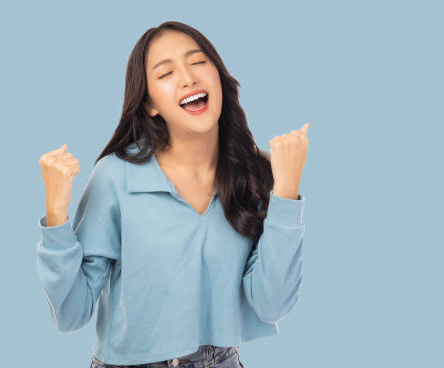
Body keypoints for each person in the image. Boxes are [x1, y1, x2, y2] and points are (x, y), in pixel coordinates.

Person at [36, 21, 310, 368]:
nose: (188, 77)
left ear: (218, 76)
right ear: (150, 103)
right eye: (165, 72)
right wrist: (56, 213)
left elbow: (272, 304)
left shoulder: (251, 175)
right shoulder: (116, 177)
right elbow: (71, 314)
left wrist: (286, 193)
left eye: (197, 62)